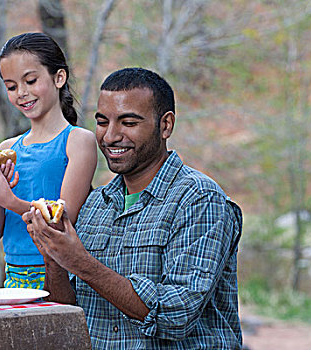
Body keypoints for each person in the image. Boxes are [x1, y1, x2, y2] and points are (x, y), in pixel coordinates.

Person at [23, 67, 243, 349]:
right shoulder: (95, 204)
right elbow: (69, 312)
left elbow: (177, 315)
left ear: (166, 125)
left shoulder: (200, 199)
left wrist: (80, 262)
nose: (111, 136)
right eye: (102, 122)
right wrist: (54, 255)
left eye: (128, 123)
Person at [0, 32, 97, 290]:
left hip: (61, 275)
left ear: (59, 77)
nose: (22, 93)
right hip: (13, 278)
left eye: (30, 80)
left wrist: (10, 200)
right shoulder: (7, 148)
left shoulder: (78, 141)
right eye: (12, 86)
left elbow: (62, 217)